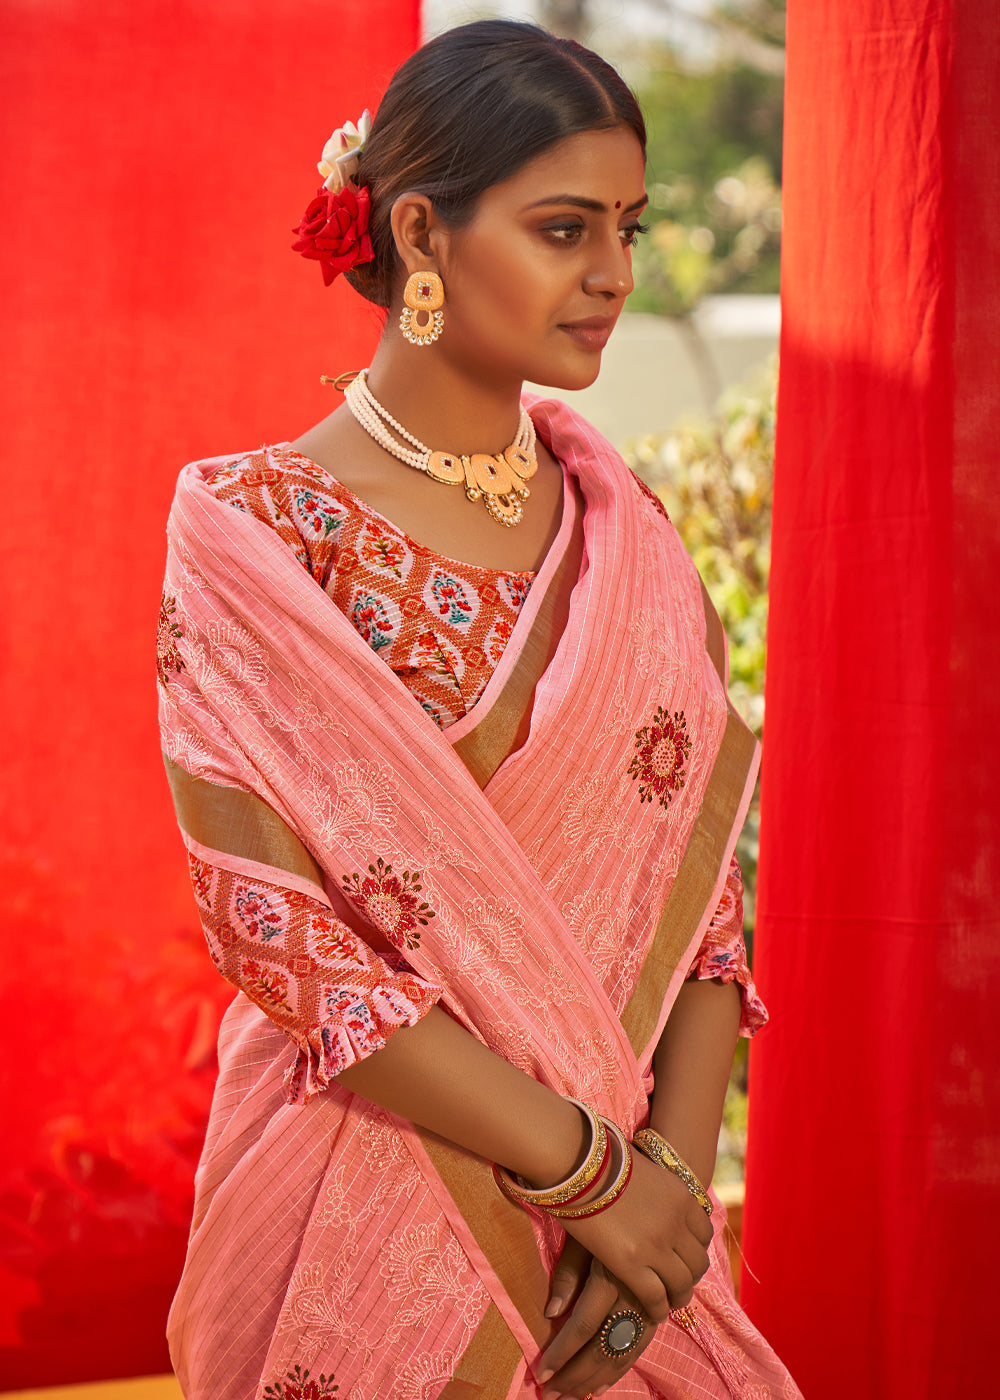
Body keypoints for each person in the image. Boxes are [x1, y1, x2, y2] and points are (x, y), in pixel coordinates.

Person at [157, 20, 800, 1400]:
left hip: (622, 1253)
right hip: (360, 1191)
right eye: (567, 228)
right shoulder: (258, 534)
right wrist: (588, 1178)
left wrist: (667, 1206)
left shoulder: (625, 534)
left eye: (628, 227)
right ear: (420, 236)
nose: (615, 277)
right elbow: (282, 939)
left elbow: (701, 914)